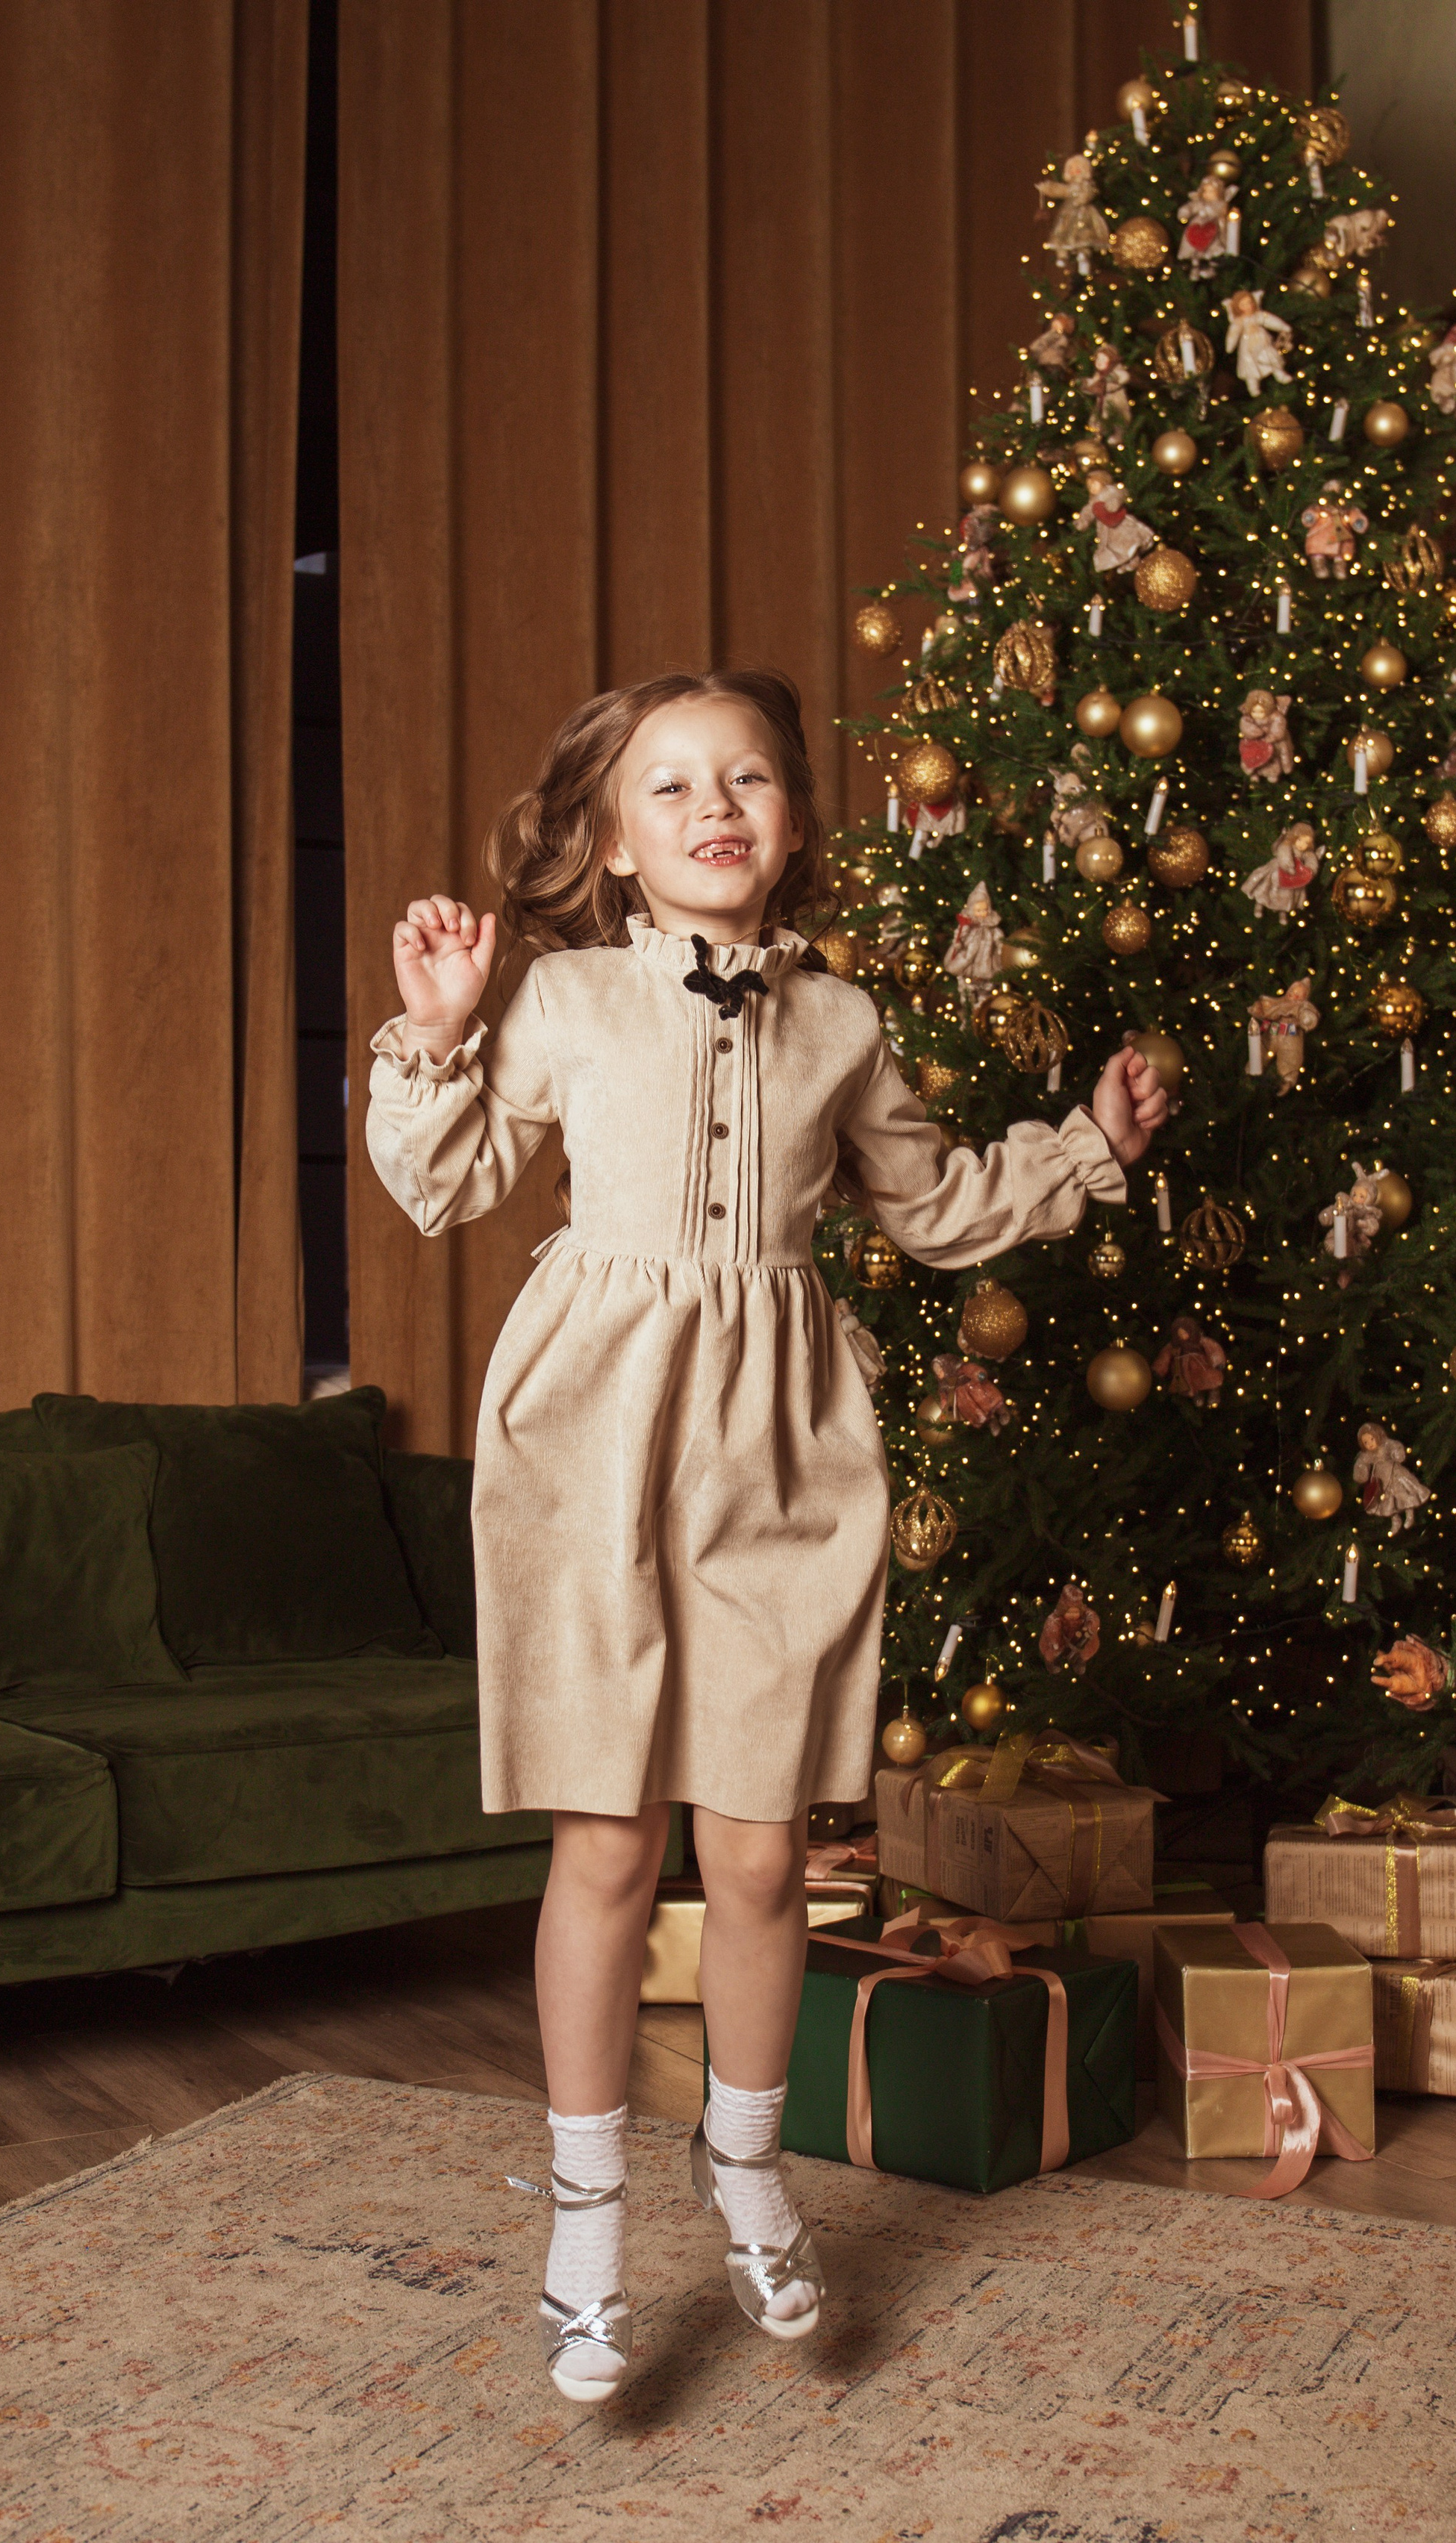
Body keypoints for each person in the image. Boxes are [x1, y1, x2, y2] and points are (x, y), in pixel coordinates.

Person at [366, 669, 1166, 2406]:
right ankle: (583, 2224)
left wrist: (1082, 1149)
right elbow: (441, 1184)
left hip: (781, 1446)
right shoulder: (563, 996)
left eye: (746, 779)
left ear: (795, 821)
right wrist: (436, 1025)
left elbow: (937, 1207)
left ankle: (743, 2170)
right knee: (603, 1845)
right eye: (667, 789)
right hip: (591, 1440)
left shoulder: (843, 1023)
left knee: (751, 1857)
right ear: (609, 842)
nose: (713, 806)